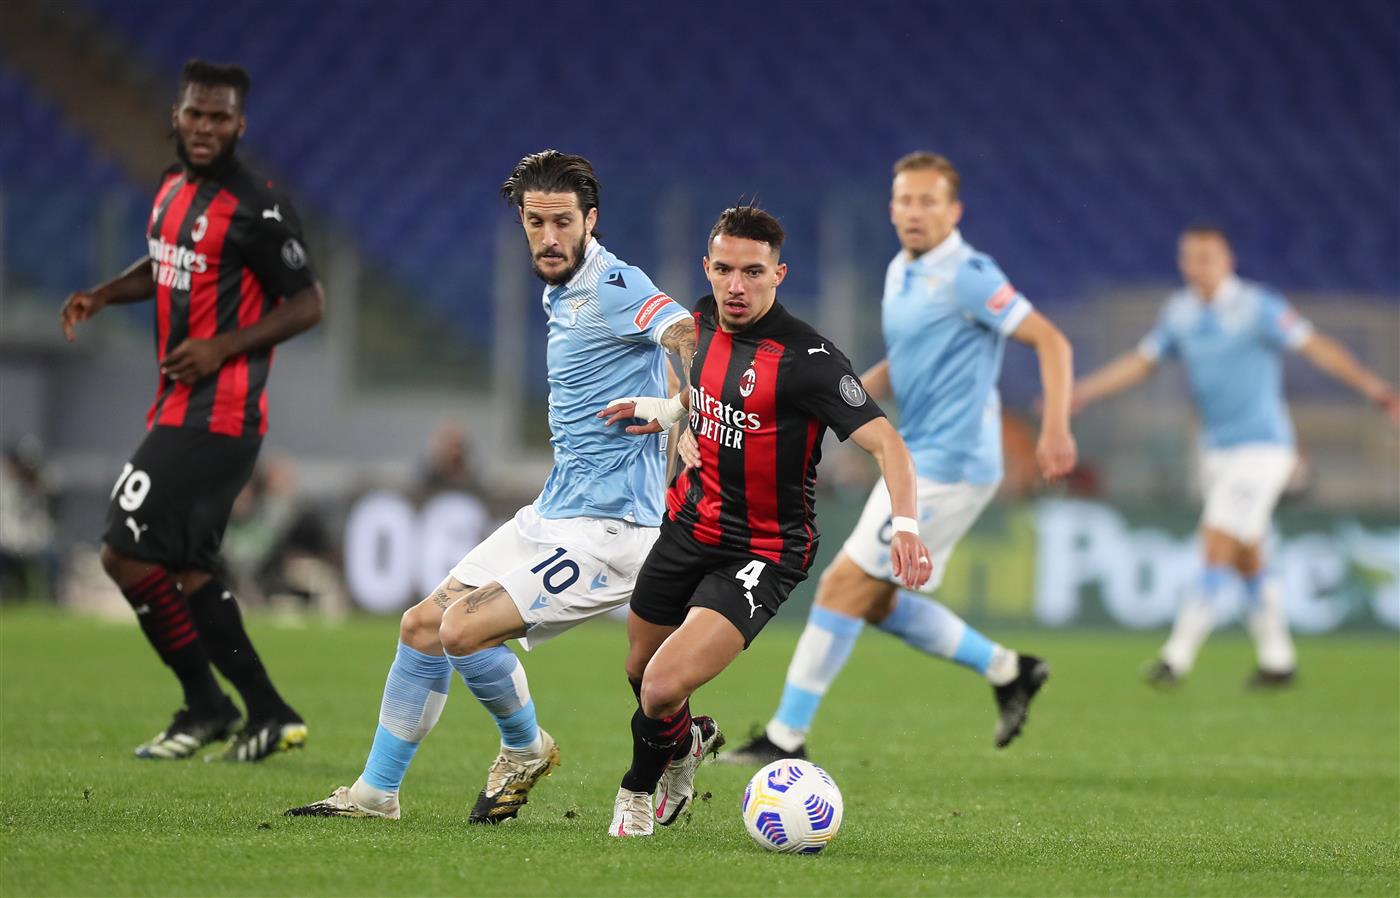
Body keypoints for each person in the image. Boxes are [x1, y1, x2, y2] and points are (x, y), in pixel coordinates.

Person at [286, 150, 695, 823]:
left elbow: (687, 332)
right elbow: (656, 357)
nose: (550, 237)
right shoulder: (560, 287)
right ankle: (376, 793)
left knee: (462, 631)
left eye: (564, 221)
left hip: (610, 531)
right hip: (553, 513)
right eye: (536, 222)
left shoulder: (614, 280)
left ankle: (526, 748)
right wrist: (670, 397)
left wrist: (681, 408)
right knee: (421, 627)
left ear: (591, 220)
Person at [723, 152, 1077, 768]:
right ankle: (1009, 670)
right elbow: (906, 365)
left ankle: (785, 736)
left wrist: (1055, 428)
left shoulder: (969, 274)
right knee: (875, 599)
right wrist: (834, 398)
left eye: (928, 201)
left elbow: (1051, 339)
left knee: (841, 586)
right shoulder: (899, 270)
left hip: (953, 465)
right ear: (892, 209)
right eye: (905, 201)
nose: (915, 213)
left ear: (953, 210)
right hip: (919, 453)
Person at [601, 204, 934, 837]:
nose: (736, 285)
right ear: (707, 267)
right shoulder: (696, 321)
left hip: (765, 548)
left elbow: (890, 445)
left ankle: (637, 790)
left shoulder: (809, 360)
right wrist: (673, 414)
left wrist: (909, 529)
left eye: (753, 272)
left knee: (661, 685)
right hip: (688, 523)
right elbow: (702, 396)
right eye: (724, 269)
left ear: (779, 273)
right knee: (641, 673)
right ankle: (689, 742)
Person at [58, 59, 324, 761]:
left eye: (220, 117)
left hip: (219, 413)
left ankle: (206, 703)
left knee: (122, 548)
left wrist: (221, 348)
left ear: (239, 125)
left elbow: (308, 301)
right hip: (178, 406)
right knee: (190, 571)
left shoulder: (258, 206)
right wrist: (103, 295)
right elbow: (165, 260)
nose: (205, 127)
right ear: (176, 117)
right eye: (195, 114)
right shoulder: (173, 189)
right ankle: (267, 712)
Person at [1072, 223, 1400, 687]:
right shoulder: (1180, 313)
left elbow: (1317, 347)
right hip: (1216, 451)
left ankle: (1176, 655)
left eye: (1207, 257)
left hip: (1264, 447)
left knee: (1217, 537)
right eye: (1189, 258)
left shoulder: (1257, 307)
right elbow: (1142, 362)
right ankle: (1278, 660)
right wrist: (1082, 391)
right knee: (1247, 552)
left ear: (1228, 262)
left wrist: (1374, 388)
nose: (1197, 267)